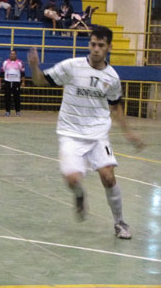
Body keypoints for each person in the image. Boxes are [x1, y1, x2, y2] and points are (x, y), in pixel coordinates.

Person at [27, 26, 144, 239]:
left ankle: (120, 222)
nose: (96, 49)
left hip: (98, 134)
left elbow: (116, 106)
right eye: (93, 44)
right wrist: (34, 67)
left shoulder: (112, 77)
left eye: (101, 45)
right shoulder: (71, 67)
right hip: (70, 133)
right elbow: (39, 81)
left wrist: (129, 133)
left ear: (109, 47)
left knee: (108, 177)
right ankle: (79, 194)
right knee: (72, 179)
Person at [0, 50, 25, 116]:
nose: (12, 55)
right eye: (11, 54)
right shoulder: (5, 62)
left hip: (16, 82)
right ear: (9, 55)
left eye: (14, 54)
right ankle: (7, 111)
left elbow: (23, 73)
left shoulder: (20, 62)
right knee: (7, 97)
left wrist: (23, 82)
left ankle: (18, 111)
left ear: (16, 55)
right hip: (7, 81)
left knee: (17, 97)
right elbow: (1, 73)